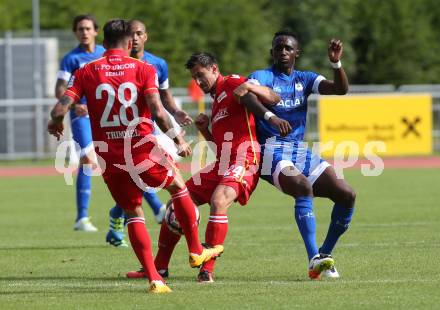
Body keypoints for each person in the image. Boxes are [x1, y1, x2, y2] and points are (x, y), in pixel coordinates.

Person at [48, 20, 224, 293]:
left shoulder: (85, 70)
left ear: (104, 43)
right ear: (129, 43)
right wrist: (177, 138)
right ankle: (195, 250)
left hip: (109, 155)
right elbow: (156, 109)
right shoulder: (143, 68)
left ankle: (155, 278)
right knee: (178, 188)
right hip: (142, 148)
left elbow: (61, 109)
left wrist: (55, 122)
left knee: (133, 213)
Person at [126, 52, 291, 282]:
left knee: (219, 201)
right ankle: (159, 268)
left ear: (214, 68)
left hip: (246, 159)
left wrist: (258, 98)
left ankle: (207, 270)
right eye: (194, 77)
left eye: (201, 75)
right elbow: (221, 148)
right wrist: (205, 131)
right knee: (177, 203)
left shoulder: (232, 82)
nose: (198, 81)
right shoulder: (217, 101)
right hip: (223, 163)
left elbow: (273, 97)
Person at [248, 30, 356, 279]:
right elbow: (246, 96)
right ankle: (313, 259)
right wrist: (270, 116)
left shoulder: (305, 79)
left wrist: (336, 63)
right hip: (270, 151)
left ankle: (324, 255)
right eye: (278, 48)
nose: (283, 52)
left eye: (288, 48)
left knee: (347, 194)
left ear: (297, 53)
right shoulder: (262, 77)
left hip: (299, 150)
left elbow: (340, 89)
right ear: (272, 52)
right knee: (302, 186)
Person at [105, 19, 193, 247]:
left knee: (148, 179)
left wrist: (176, 112)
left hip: (152, 130)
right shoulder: (112, 65)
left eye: (139, 33)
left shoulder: (157, 64)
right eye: (131, 34)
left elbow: (164, 96)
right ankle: (147, 213)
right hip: (123, 133)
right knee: (144, 180)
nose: (134, 38)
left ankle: (124, 214)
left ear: (146, 37)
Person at [55, 14, 105, 232]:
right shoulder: (71, 59)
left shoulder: (105, 54)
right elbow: (59, 88)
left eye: (88, 28)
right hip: (81, 116)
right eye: (80, 29)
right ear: (76, 32)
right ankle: (82, 217)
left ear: (95, 31)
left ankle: (152, 208)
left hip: (105, 116)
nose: (84, 32)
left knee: (123, 160)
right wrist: (73, 105)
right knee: (87, 159)